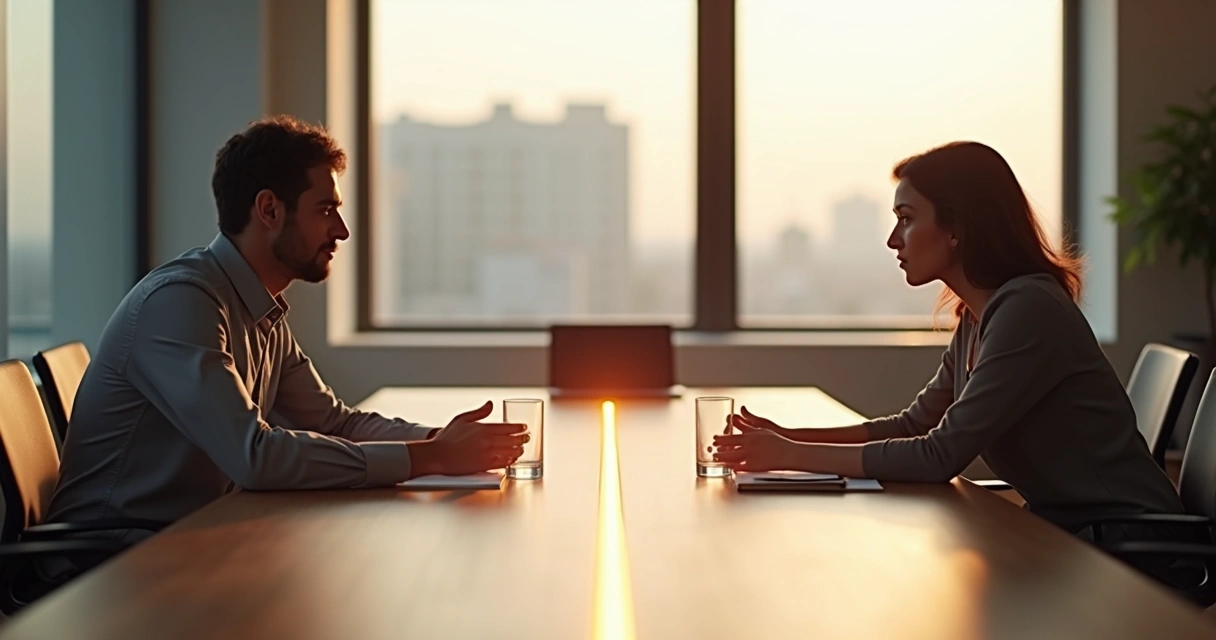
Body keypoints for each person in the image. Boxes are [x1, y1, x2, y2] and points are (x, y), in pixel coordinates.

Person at [45, 115, 527, 536]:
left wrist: (443, 440)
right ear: (270, 210)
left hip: (188, 539)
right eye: (325, 209)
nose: (341, 231)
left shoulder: (261, 308)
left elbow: (335, 423)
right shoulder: (181, 302)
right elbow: (254, 455)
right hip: (108, 564)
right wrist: (433, 458)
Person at [713, 141, 1187, 532]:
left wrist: (793, 455)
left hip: (1131, 549)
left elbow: (939, 455)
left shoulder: (1028, 311)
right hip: (1073, 537)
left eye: (906, 218)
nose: (893, 240)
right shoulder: (979, 317)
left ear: (956, 228)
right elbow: (911, 425)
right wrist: (785, 438)